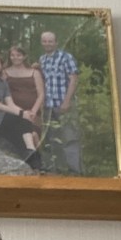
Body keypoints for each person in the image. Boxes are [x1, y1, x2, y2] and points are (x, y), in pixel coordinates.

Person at [39, 30, 82, 173]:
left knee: (70, 137)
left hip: (64, 104)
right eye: (45, 41)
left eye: (50, 41)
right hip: (48, 106)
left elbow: (73, 79)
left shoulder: (65, 57)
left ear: (56, 42)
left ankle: (74, 171)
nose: (47, 44)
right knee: (51, 139)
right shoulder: (42, 59)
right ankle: (54, 169)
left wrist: (67, 101)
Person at [4, 44, 44, 148]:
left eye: (18, 55)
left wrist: (34, 111)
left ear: (24, 56)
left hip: (33, 111)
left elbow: (41, 94)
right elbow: (2, 93)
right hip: (14, 110)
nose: (15, 58)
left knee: (32, 128)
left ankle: (36, 141)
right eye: (12, 55)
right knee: (23, 133)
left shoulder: (34, 72)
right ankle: (33, 142)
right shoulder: (5, 72)